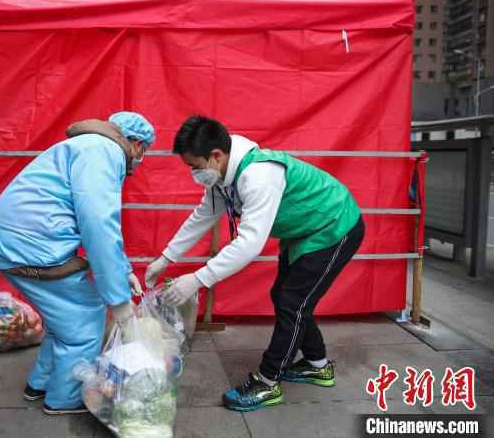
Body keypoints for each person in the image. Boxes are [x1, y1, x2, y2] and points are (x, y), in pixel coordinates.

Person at [145, 115, 364, 412]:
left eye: (194, 166)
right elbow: (203, 216)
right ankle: (317, 364)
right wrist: (166, 258)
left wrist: (197, 279)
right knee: (287, 299)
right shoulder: (223, 177)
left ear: (216, 156)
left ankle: (268, 382)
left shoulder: (258, 175)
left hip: (334, 226)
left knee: (292, 302)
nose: (193, 174)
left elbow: (249, 244)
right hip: (304, 231)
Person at [0, 112, 155, 415]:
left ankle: (40, 382)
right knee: (85, 324)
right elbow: (99, 225)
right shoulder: (106, 152)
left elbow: (98, 225)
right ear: (137, 143)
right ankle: (65, 399)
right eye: (145, 150)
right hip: (32, 243)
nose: (141, 158)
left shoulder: (88, 146)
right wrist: (119, 300)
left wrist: (124, 270)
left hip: (15, 239)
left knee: (63, 320)